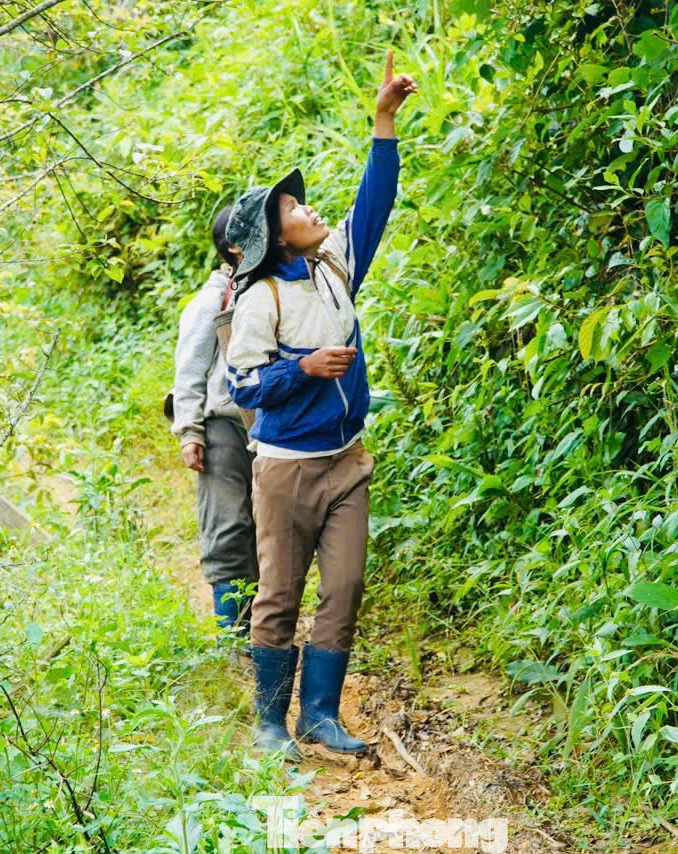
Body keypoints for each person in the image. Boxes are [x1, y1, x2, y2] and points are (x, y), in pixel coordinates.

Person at [223, 51, 417, 758]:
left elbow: (376, 204)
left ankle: (321, 715)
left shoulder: (335, 267)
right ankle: (272, 722)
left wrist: (383, 122)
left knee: (345, 587)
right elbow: (242, 388)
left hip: (347, 461)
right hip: (284, 470)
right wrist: (302, 368)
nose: (308, 210)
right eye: (293, 211)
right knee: (279, 594)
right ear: (274, 241)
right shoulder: (261, 301)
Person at [171, 207, 257, 637]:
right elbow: (189, 369)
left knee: (265, 527)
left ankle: (258, 628)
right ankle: (231, 633)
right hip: (222, 424)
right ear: (234, 247)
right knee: (230, 525)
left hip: (268, 428)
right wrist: (190, 431)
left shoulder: (268, 288)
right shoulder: (212, 300)